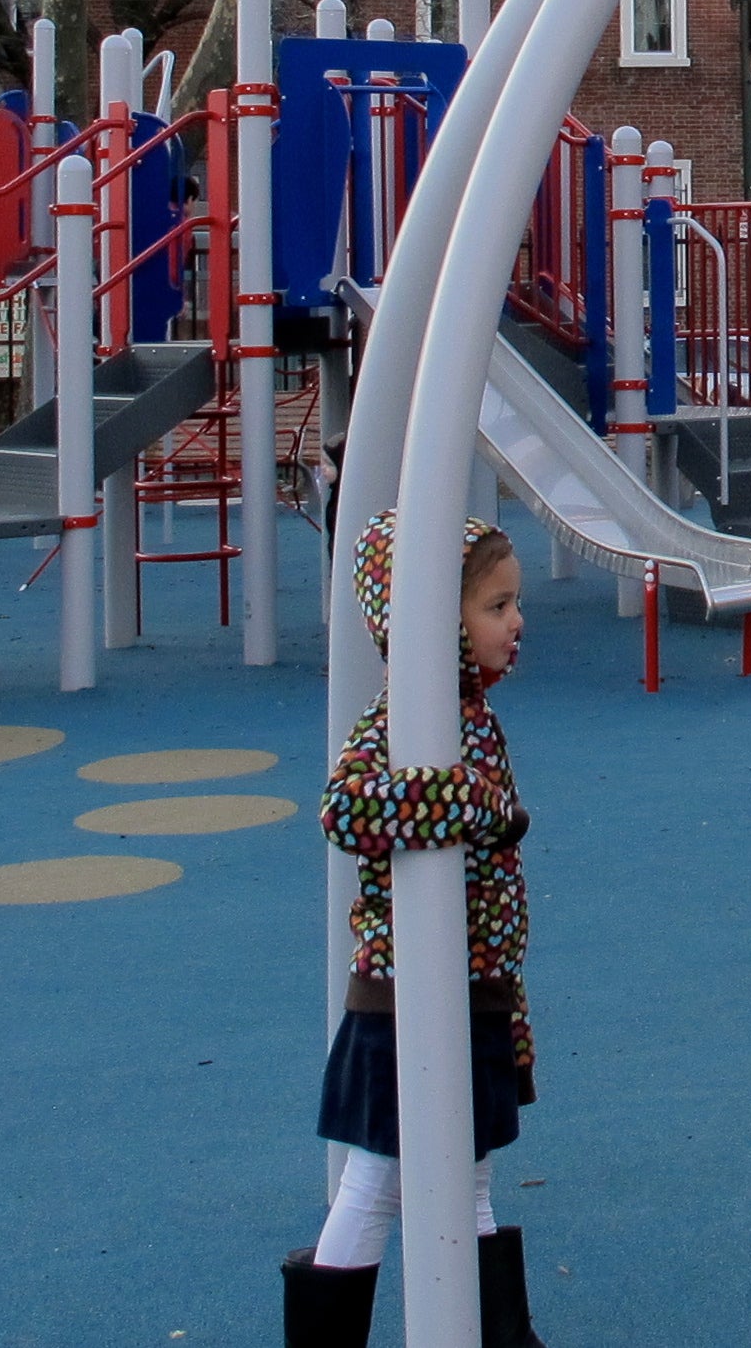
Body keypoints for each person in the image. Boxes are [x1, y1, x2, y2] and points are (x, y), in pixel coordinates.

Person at [285, 512, 547, 1348]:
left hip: (472, 989)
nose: (516, 622)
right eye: (497, 605)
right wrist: (468, 801)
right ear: (437, 621)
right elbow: (345, 803)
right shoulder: (410, 714)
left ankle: (495, 1332)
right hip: (411, 995)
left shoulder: (467, 711)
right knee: (377, 1179)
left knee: (467, 1174)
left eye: (514, 604)